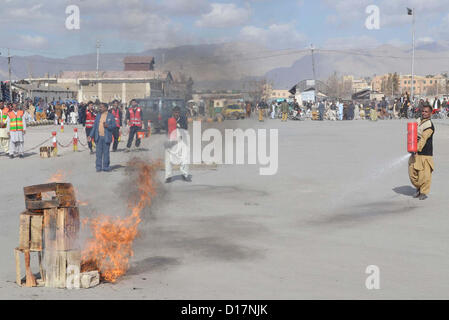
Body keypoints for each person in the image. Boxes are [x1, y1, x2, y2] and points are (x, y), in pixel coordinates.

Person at [408, 105, 434, 200]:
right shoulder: (418, 121)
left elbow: (423, 139)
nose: (424, 113)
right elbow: (412, 133)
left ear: (430, 113)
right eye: (423, 111)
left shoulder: (429, 125)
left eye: (426, 112)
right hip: (414, 151)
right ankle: (418, 187)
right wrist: (411, 147)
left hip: (425, 153)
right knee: (412, 173)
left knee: (424, 175)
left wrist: (417, 149)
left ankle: (423, 192)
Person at [165, 106, 190, 183]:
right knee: (168, 160)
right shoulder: (168, 119)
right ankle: (168, 176)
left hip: (181, 141)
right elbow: (166, 129)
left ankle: (185, 175)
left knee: (184, 158)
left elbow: (185, 129)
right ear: (173, 113)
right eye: (175, 112)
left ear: (179, 113)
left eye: (178, 113)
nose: (176, 114)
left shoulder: (183, 119)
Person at [89, 103, 117, 172]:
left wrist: (108, 126)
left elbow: (114, 126)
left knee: (106, 153)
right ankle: (98, 167)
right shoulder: (98, 116)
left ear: (106, 108)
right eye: (99, 107)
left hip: (106, 137)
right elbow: (94, 126)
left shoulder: (111, 116)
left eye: (101, 107)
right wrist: (90, 135)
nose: (100, 108)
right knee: (98, 153)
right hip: (98, 137)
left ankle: (106, 167)